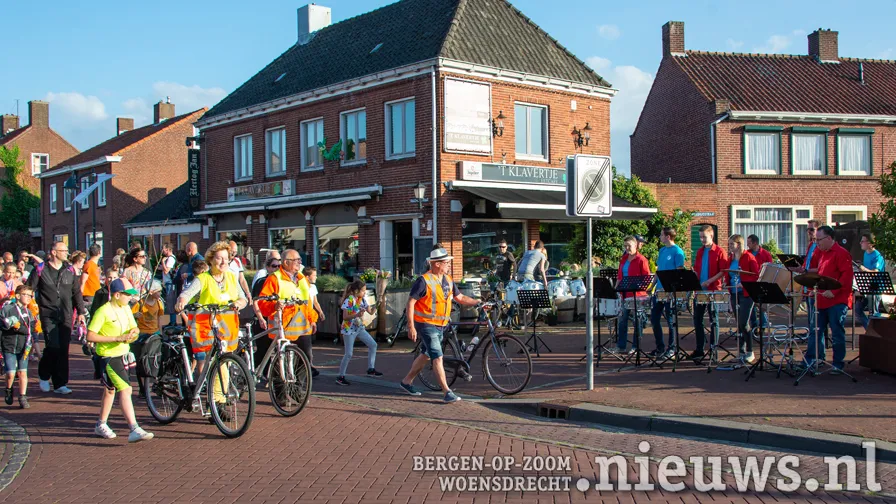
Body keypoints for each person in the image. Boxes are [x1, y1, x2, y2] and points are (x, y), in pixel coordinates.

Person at [398, 248, 481, 403]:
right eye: (446, 262)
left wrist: (478, 302)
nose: (449, 265)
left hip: (441, 325)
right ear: (436, 264)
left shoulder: (448, 280)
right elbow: (410, 303)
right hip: (426, 325)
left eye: (449, 262)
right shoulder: (423, 281)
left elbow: (460, 297)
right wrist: (411, 326)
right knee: (438, 356)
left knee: (426, 354)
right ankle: (446, 392)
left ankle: (406, 381)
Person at [86, 278, 154, 442]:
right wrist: (117, 337)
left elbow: (134, 326)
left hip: (124, 354)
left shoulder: (125, 308)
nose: (130, 297)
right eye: (127, 294)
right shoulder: (103, 311)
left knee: (110, 390)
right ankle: (134, 428)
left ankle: (100, 424)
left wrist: (133, 333)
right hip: (109, 356)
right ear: (117, 295)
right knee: (126, 389)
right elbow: (90, 335)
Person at [175, 242, 247, 382]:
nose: (223, 262)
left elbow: (242, 298)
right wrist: (181, 302)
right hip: (205, 326)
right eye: (219, 258)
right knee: (207, 360)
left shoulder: (232, 277)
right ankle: (208, 392)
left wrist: (238, 303)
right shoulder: (203, 278)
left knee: (225, 360)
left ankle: (219, 397)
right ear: (211, 259)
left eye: (226, 258)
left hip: (226, 327)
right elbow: (186, 294)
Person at [30, 241, 86, 395]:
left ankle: (60, 383)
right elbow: (29, 289)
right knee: (53, 346)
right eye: (63, 250)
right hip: (48, 314)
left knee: (63, 349)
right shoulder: (41, 270)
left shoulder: (69, 270)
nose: (66, 253)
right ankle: (44, 374)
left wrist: (81, 311)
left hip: (66, 314)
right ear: (54, 252)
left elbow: (76, 293)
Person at [256, 249, 319, 377]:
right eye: (296, 260)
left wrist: (312, 319)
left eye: (299, 260)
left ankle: (299, 390)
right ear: (286, 262)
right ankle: (280, 394)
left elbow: (308, 301)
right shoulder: (274, 279)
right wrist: (274, 305)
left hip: (302, 327)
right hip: (282, 327)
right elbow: (263, 303)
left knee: (306, 358)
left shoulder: (302, 278)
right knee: (280, 362)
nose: (299, 263)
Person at [806, 226, 854, 372]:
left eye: (819, 240)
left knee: (836, 331)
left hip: (837, 300)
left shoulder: (841, 253)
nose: (817, 243)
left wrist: (834, 291)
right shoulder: (820, 252)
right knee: (816, 330)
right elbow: (816, 270)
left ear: (829, 238)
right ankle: (813, 359)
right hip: (821, 299)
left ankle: (838, 363)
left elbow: (846, 276)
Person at [691, 226, 728, 360]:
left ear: (711, 236)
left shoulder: (719, 251)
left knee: (714, 319)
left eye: (704, 237)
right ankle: (700, 348)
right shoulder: (700, 251)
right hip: (700, 290)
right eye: (700, 237)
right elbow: (697, 269)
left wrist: (710, 281)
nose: (702, 239)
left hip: (713, 289)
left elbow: (723, 271)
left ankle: (714, 350)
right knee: (697, 320)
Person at [650, 227, 686, 359]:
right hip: (659, 291)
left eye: (661, 235)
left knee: (671, 320)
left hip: (670, 291)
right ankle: (660, 347)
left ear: (668, 237)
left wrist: (674, 287)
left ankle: (672, 348)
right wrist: (651, 286)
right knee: (654, 319)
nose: (660, 237)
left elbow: (679, 271)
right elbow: (658, 271)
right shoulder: (662, 250)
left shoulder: (677, 251)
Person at [336, 280, 381, 385]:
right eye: (363, 291)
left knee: (373, 345)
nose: (364, 293)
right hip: (349, 329)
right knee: (349, 354)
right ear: (356, 291)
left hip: (359, 328)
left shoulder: (362, 300)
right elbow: (345, 317)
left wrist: (377, 303)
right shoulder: (349, 300)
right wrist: (357, 315)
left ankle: (371, 369)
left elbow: (371, 312)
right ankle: (340, 376)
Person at [725, 234, 760, 364]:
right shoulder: (731, 258)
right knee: (738, 323)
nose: (729, 247)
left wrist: (744, 283)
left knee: (744, 322)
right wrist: (726, 282)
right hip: (734, 293)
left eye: (731, 244)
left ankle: (750, 352)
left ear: (738, 244)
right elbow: (728, 273)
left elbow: (756, 276)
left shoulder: (749, 257)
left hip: (746, 294)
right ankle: (741, 352)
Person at [1, 285, 37, 409]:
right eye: (26, 295)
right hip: (9, 345)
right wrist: (9, 325)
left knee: (23, 372)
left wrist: (18, 327)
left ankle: (23, 396)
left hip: (23, 346)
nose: (29, 298)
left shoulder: (29, 312)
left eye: (30, 296)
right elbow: (2, 324)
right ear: (17, 296)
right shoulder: (7, 309)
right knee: (10, 374)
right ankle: (8, 389)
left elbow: (30, 329)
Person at [613, 236, 650, 354]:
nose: (627, 248)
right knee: (622, 321)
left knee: (637, 321)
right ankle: (621, 346)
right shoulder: (623, 259)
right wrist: (616, 289)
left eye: (629, 245)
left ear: (635, 245)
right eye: (625, 246)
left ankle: (635, 346)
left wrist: (640, 288)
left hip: (637, 295)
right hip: (624, 294)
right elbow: (620, 277)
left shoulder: (641, 259)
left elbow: (646, 278)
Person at [132, 280, 162, 396]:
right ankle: (143, 388)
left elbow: (160, 318)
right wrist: (135, 315)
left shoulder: (159, 303)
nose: (160, 294)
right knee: (141, 361)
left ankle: (156, 385)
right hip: (142, 334)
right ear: (151, 292)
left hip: (154, 334)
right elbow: (130, 316)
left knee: (155, 359)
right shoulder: (140, 303)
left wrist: (161, 333)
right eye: (158, 291)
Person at [250, 256, 280, 371]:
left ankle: (271, 376)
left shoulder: (280, 282)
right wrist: (261, 318)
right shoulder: (261, 282)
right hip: (262, 319)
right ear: (267, 268)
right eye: (274, 266)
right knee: (263, 350)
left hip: (275, 320)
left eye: (278, 266)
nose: (277, 268)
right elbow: (255, 301)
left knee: (276, 349)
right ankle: (248, 374)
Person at [856, 234, 886, 329]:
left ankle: (874, 332)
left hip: (876, 288)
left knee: (873, 314)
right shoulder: (866, 254)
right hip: (867, 286)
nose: (860, 243)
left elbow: (875, 272)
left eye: (863, 241)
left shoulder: (877, 256)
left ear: (870, 243)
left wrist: (864, 269)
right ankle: (869, 329)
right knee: (858, 309)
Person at [746, 235, 774, 333]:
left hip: (761, 282)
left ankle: (763, 324)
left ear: (755, 243)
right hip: (751, 282)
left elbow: (770, 268)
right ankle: (754, 325)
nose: (747, 244)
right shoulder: (746, 253)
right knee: (751, 306)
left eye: (749, 242)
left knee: (761, 305)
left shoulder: (765, 254)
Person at [228, 240, 253, 306]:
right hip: (225, 290)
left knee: (240, 303)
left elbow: (242, 279)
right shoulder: (221, 262)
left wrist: (248, 293)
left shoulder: (237, 261)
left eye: (235, 252)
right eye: (232, 251)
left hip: (236, 288)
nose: (233, 254)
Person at [158, 243, 177, 325]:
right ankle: (172, 320)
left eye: (164, 249)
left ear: (168, 249)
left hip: (170, 282)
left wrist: (162, 262)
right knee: (169, 302)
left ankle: (173, 321)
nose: (162, 251)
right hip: (167, 282)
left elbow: (166, 270)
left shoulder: (170, 259)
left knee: (170, 302)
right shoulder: (169, 259)